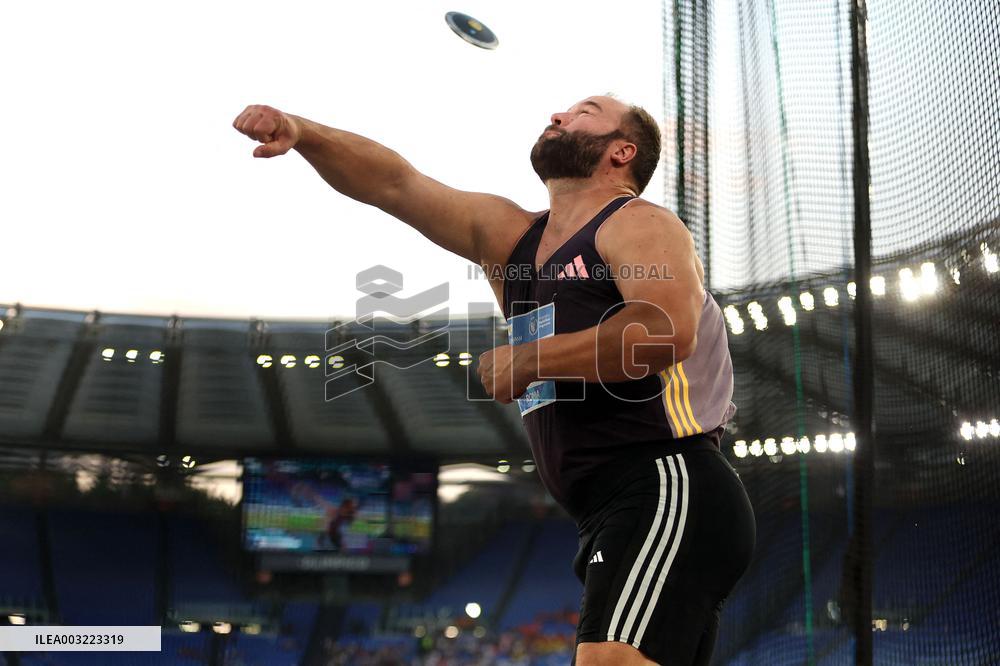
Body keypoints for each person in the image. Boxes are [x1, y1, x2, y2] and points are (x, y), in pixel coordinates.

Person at [232, 96, 756, 666]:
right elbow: (395, 185)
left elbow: (664, 332)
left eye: (584, 111)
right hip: (607, 507)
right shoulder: (512, 238)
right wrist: (303, 131)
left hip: (667, 482)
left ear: (621, 151)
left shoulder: (639, 223)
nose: (557, 115)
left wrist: (532, 360)